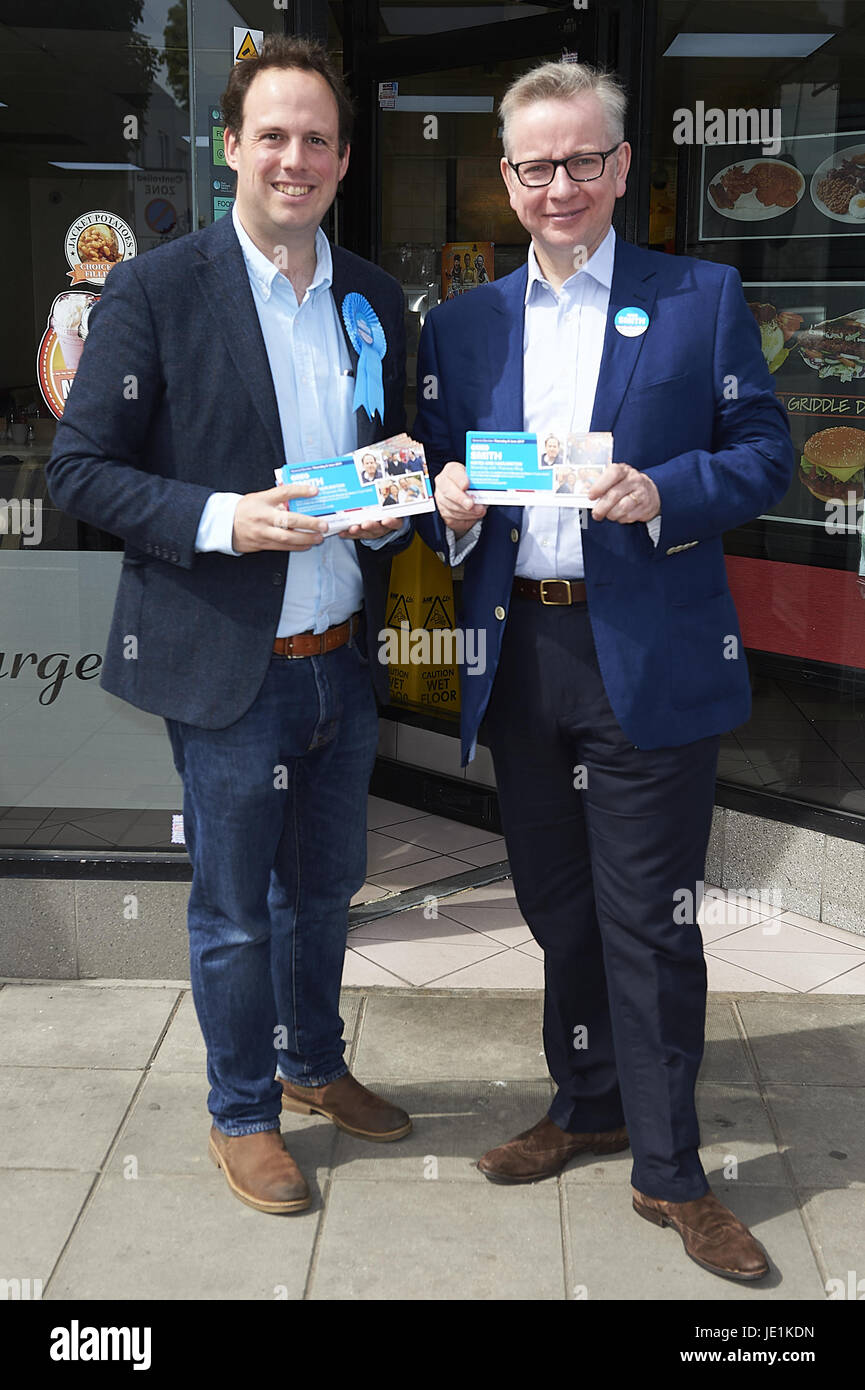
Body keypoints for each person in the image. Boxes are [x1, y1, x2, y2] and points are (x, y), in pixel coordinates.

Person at [414, 60, 794, 1283]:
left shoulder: (701, 295)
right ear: (508, 181)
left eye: (584, 160)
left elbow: (764, 454)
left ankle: (672, 1172)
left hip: (650, 654)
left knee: (651, 920)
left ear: (623, 167)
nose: (560, 184)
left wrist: (663, 489)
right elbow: (435, 479)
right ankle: (585, 1102)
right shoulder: (463, 321)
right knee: (556, 906)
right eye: (536, 166)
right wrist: (450, 504)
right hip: (523, 650)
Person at [46, 35, 414, 1217]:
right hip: (228, 664)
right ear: (230, 149)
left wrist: (396, 506)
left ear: (343, 157)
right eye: (272, 136)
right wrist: (222, 518)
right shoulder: (155, 289)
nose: (293, 158)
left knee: (326, 893)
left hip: (338, 659)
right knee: (235, 911)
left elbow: (391, 451)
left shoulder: (372, 297)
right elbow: (80, 471)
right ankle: (241, 1108)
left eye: (316, 139)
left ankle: (313, 1063)